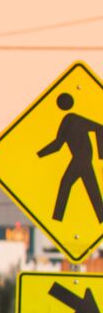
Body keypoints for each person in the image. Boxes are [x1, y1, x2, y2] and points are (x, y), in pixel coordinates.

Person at [39, 91, 103, 223]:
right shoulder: (67, 121)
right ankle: (100, 218)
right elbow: (58, 145)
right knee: (91, 189)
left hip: (82, 159)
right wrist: (39, 154)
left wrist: (101, 154)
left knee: (66, 184)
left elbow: (99, 128)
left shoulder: (73, 119)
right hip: (81, 159)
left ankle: (57, 218)